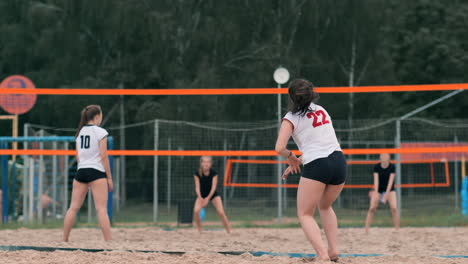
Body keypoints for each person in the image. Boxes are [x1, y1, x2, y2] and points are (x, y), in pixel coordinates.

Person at [276, 79, 346, 261]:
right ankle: (333, 251)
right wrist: (298, 160)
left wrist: (291, 157)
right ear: (311, 94)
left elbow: (279, 148)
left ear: (291, 97)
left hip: (318, 164)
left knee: (305, 213)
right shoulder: (321, 110)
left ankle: (322, 256)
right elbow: (320, 144)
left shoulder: (290, 118)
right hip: (338, 160)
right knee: (325, 206)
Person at [63, 105, 113, 241]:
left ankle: (65, 240)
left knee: (73, 208)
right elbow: (104, 156)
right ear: (97, 116)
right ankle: (109, 241)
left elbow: (79, 156)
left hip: (81, 171)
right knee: (102, 209)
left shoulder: (80, 133)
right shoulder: (101, 132)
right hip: (96, 171)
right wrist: (109, 178)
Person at [193, 156, 231, 233]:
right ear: (201, 163)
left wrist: (207, 199)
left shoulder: (214, 173)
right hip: (202, 195)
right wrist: (200, 198)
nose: (206, 164)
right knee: (196, 211)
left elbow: (213, 188)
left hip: (213, 194)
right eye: (204, 162)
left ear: (210, 164)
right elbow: (197, 187)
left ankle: (229, 231)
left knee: (221, 212)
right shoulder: (197, 174)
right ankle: (200, 230)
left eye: (208, 162)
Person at [365, 153, 400, 233]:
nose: (383, 157)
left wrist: (386, 195)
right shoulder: (377, 167)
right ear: (380, 158)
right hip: (379, 189)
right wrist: (376, 193)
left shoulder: (392, 167)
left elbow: (391, 182)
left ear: (388, 158)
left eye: (385, 156)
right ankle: (367, 229)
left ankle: (397, 229)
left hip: (390, 190)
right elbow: (376, 181)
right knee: (372, 208)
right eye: (382, 156)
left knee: (394, 208)